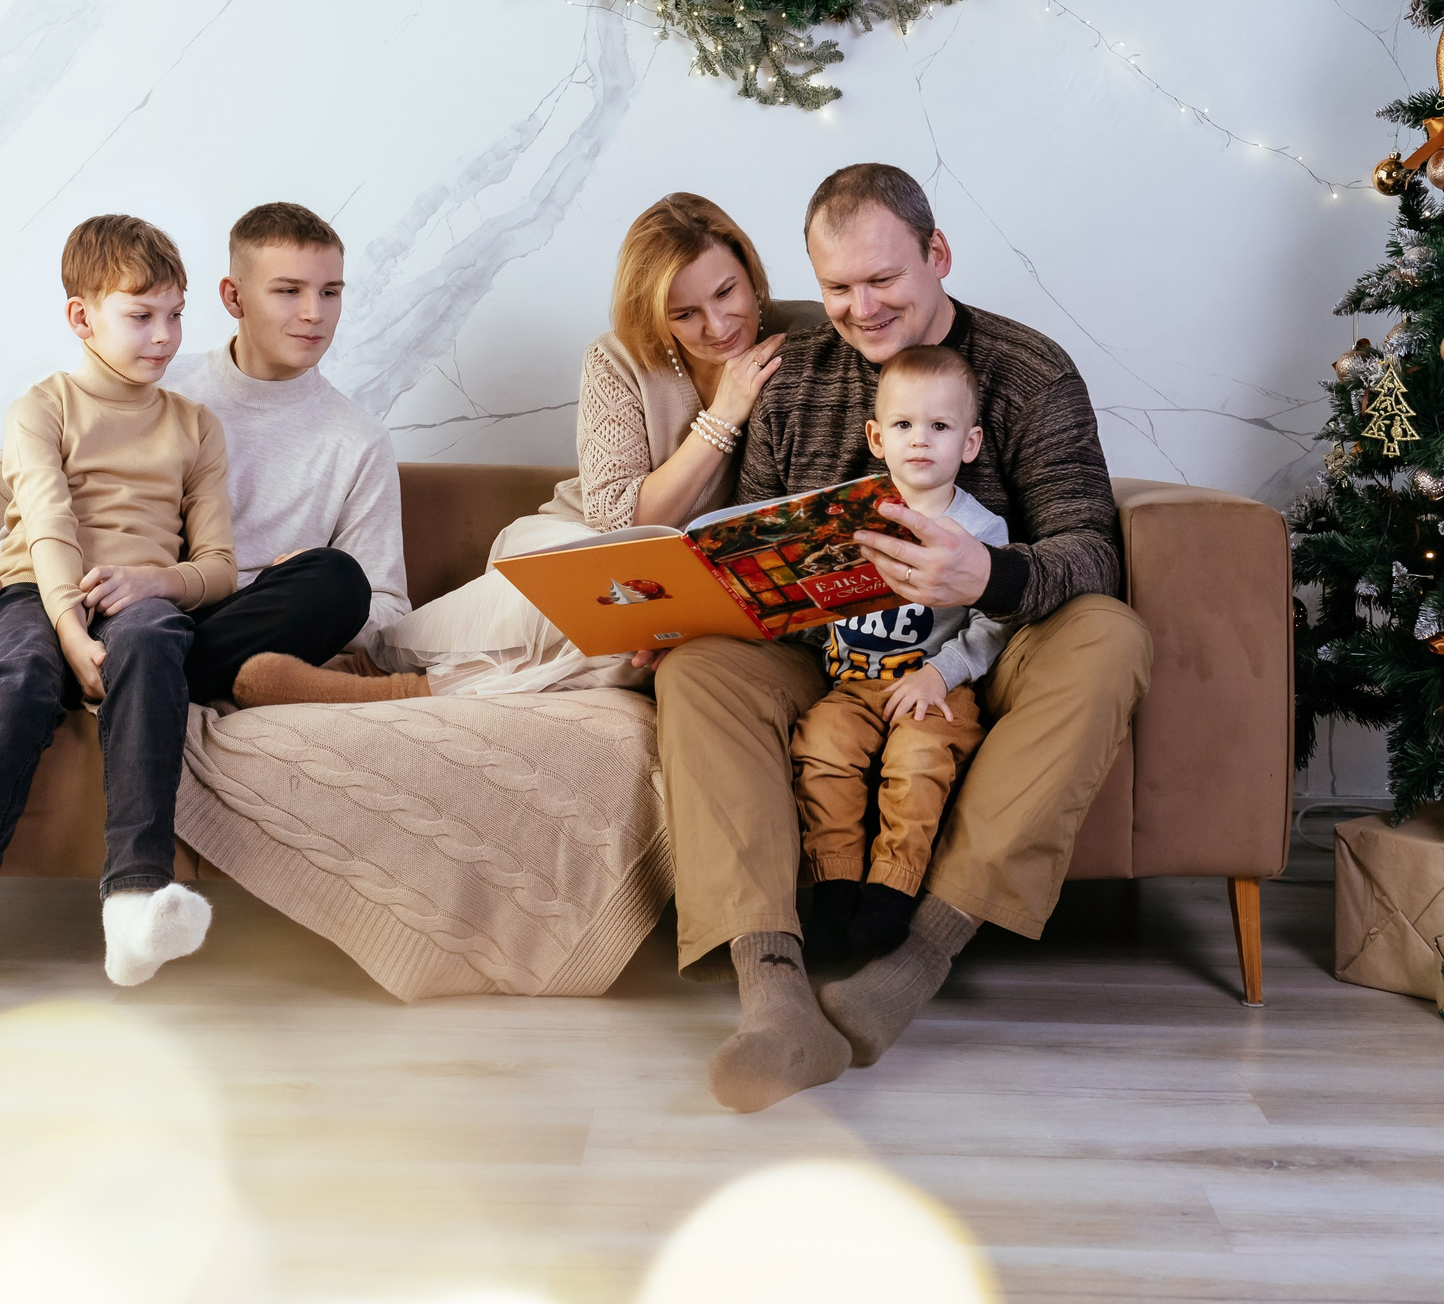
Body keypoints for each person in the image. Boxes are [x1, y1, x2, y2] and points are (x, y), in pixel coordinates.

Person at [654, 162, 1153, 1114]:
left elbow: (1092, 547)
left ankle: (915, 963)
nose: (858, 308)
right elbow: (754, 536)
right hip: (825, 658)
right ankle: (775, 997)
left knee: (1112, 637)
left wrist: (991, 576)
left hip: (982, 651)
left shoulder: (1026, 369)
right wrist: (695, 602)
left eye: (882, 281)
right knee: (697, 669)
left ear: (937, 256)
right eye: (836, 287)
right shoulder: (794, 374)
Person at [0, 215, 236, 1051]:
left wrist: (153, 582)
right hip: (31, 591)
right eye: (142, 315)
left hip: (137, 599)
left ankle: (134, 904)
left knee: (154, 639)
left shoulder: (196, 427)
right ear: (81, 317)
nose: (166, 336)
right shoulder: (41, 408)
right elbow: (52, 528)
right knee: (22, 679)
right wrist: (67, 630)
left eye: (176, 313)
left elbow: (219, 567)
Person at [0, 202, 403, 714]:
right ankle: (84, 680)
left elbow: (386, 608)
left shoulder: (359, 441)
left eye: (330, 293)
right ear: (232, 296)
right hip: (65, 606)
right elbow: (49, 506)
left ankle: (27, 687)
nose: (313, 314)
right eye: (289, 291)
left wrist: (276, 578)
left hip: (202, 617)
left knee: (335, 580)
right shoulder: (152, 377)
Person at [349, 193, 820, 697]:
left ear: (750, 270)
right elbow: (624, 523)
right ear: (654, 314)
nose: (718, 326)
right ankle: (372, 660)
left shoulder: (811, 333)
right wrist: (724, 414)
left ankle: (393, 689)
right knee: (604, 603)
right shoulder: (615, 360)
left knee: (639, 645)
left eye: (727, 293)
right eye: (684, 314)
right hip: (590, 540)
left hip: (705, 576)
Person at [790, 344, 1011, 965]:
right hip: (853, 685)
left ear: (968, 444)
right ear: (876, 437)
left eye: (939, 427)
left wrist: (942, 673)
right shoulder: (846, 517)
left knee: (916, 762)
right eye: (904, 425)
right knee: (821, 746)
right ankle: (834, 886)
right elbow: (815, 601)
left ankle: (892, 892)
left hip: (936, 686)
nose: (920, 440)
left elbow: (996, 625)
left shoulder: (981, 529)